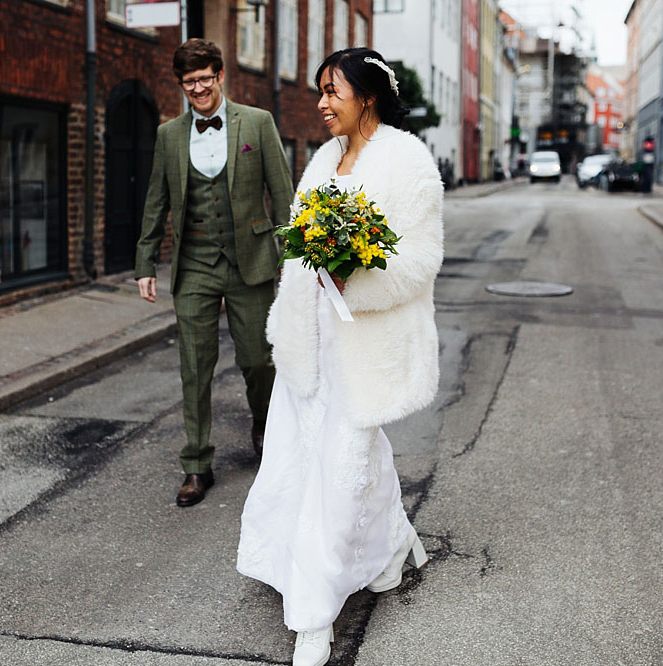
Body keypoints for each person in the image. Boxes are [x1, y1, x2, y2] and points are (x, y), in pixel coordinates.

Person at [237, 48, 444, 666]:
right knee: (303, 458)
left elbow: (420, 260)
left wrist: (357, 269)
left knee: (345, 458)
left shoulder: (408, 161)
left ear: (369, 96)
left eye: (334, 92)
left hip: (367, 341)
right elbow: (301, 247)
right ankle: (391, 543)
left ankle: (314, 617)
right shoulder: (323, 160)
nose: (322, 104)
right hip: (312, 336)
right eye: (320, 91)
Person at [135, 39, 294, 507]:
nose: (199, 89)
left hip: (252, 261)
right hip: (195, 265)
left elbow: (282, 194)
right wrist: (145, 263)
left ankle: (265, 426)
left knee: (258, 360)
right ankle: (197, 464)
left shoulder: (258, 122)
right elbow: (155, 202)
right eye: (190, 83)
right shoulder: (168, 135)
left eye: (206, 79)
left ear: (221, 75)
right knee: (194, 365)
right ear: (181, 86)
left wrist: (295, 261)